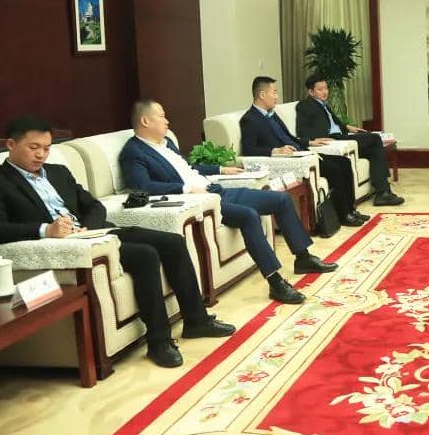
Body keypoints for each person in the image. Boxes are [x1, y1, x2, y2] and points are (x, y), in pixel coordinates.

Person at [0, 115, 235, 368]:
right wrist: (46, 230)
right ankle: (159, 341)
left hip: (93, 233)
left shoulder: (58, 172)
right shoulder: (0, 181)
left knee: (173, 242)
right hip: (64, 246)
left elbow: (93, 205)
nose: (41, 155)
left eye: (46, 148)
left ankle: (196, 320)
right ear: (11, 145)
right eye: (33, 148)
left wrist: (90, 227)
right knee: (145, 255)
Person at [120, 99, 337, 306]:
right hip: (201, 201)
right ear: (145, 121)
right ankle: (275, 283)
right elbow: (143, 186)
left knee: (280, 199)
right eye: (161, 116)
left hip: (216, 190)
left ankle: (303, 258)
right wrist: (185, 189)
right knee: (249, 215)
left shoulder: (167, 143)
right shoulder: (133, 152)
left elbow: (189, 168)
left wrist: (220, 169)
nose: (167, 121)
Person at [239, 76, 369, 228]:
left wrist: (309, 142)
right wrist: (275, 150)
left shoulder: (272, 114)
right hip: (290, 161)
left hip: (302, 153)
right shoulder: (250, 119)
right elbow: (249, 149)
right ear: (262, 95)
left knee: (344, 162)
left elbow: (289, 137)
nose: (277, 96)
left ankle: (350, 209)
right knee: (334, 169)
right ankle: (343, 215)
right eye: (274, 92)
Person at [294, 75, 403, 207]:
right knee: (374, 139)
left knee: (374, 150)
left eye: (326, 88)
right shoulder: (304, 105)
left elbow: (332, 122)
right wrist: (311, 140)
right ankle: (383, 192)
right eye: (320, 89)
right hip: (334, 139)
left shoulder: (324, 104)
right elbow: (301, 130)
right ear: (311, 92)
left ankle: (383, 192)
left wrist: (347, 127)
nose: (325, 92)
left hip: (341, 135)